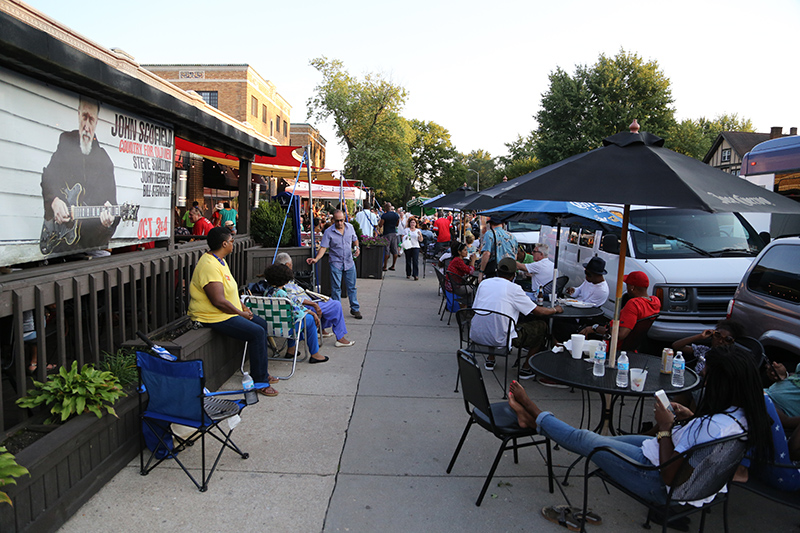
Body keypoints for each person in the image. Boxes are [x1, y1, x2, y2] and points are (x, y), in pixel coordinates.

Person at [507, 345, 772, 517]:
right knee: (596, 440)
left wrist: (666, 427)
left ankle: (531, 409)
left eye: (708, 376)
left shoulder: (714, 427)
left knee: (586, 439)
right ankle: (533, 422)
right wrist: (691, 418)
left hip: (656, 479)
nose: (704, 379)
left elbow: (670, 477)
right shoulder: (744, 415)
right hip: (665, 457)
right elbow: (706, 447)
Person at [188, 227, 278, 396]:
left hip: (227, 312)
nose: (233, 244)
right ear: (224, 243)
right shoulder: (209, 265)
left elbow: (229, 290)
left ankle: (261, 371)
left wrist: (243, 307)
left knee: (261, 324)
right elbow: (218, 301)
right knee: (257, 332)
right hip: (212, 316)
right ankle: (260, 382)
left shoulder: (220, 260)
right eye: (231, 241)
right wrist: (240, 313)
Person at [40, 97, 119, 252]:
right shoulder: (66, 142)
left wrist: (108, 222)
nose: (87, 126)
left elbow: (113, 206)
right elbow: (48, 177)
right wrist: (55, 200)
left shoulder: (105, 161)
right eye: (84, 117)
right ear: (78, 115)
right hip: (58, 240)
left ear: (96, 123)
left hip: (91, 246)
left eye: (91, 120)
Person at [471, 257, 563, 379]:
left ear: (497, 271)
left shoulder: (484, 283)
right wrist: (556, 309)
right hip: (500, 338)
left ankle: (490, 358)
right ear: (514, 275)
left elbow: (477, 307)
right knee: (541, 326)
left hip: (476, 334)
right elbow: (538, 311)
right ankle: (526, 368)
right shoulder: (514, 288)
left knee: (494, 318)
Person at [274, 253, 354, 347]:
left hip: (303, 304)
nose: (292, 267)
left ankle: (322, 329)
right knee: (336, 305)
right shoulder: (283, 282)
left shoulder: (278, 279)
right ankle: (340, 338)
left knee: (328, 301)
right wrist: (313, 304)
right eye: (291, 265)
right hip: (303, 307)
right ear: (287, 265)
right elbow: (294, 299)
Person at [262, 264, 329, 363]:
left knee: (291, 318)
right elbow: (297, 312)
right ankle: (315, 354)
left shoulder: (267, 292)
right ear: (285, 279)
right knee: (308, 320)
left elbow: (294, 306)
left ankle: (291, 350)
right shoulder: (283, 295)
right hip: (284, 329)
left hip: (269, 328)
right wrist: (312, 313)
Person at [578, 271, 660, 345]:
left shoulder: (634, 304)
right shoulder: (655, 301)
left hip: (613, 344)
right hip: (634, 344)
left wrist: (595, 328)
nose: (626, 288)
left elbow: (620, 334)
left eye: (627, 285)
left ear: (632, 288)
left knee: (579, 331)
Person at [307, 209, 362, 319]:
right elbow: (323, 247)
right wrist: (316, 259)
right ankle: (338, 310)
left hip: (349, 261)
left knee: (352, 287)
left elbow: (355, 239)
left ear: (344, 219)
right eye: (337, 221)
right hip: (336, 262)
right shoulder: (329, 232)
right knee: (336, 288)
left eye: (341, 220)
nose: (339, 223)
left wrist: (357, 248)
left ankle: (355, 308)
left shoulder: (350, 228)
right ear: (333, 220)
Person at [672, 319, 742, 374]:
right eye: (717, 335)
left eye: (727, 339)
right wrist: (699, 336)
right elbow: (677, 346)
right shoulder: (704, 350)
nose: (720, 341)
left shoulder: (729, 360)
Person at [477, 216, 518, 282]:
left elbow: (486, 253)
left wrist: (481, 271)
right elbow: (515, 255)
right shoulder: (512, 236)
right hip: (510, 272)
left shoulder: (489, 234)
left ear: (490, 224)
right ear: (503, 224)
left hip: (496, 271)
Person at [379, 204, 400, 271]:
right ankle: (393, 265)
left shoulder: (384, 215)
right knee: (394, 250)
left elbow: (380, 225)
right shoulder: (396, 215)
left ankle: (385, 266)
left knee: (386, 250)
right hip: (393, 233)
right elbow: (397, 224)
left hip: (386, 233)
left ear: (385, 208)